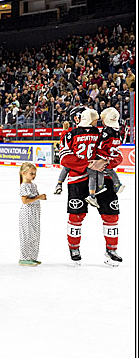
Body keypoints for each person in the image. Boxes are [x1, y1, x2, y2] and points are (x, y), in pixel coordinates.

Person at [58, 106, 122, 266]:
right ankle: (74, 248)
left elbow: (117, 155)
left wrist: (105, 162)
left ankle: (111, 250)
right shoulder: (70, 135)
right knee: (76, 216)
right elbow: (64, 159)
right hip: (79, 180)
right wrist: (91, 164)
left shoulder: (102, 133)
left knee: (111, 215)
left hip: (103, 179)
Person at [86, 107, 125, 206]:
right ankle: (116, 183)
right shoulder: (117, 131)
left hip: (103, 153)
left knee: (99, 169)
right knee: (108, 169)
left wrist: (98, 149)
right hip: (111, 154)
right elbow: (118, 142)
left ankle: (100, 186)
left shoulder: (106, 131)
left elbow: (102, 143)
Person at [18, 162, 45, 266]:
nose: (34, 176)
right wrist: (39, 197)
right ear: (24, 173)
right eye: (31, 173)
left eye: (34, 173)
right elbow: (25, 201)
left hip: (35, 212)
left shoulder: (33, 185)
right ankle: (24, 257)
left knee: (34, 234)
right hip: (27, 213)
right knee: (27, 235)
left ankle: (32, 257)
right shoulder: (24, 186)